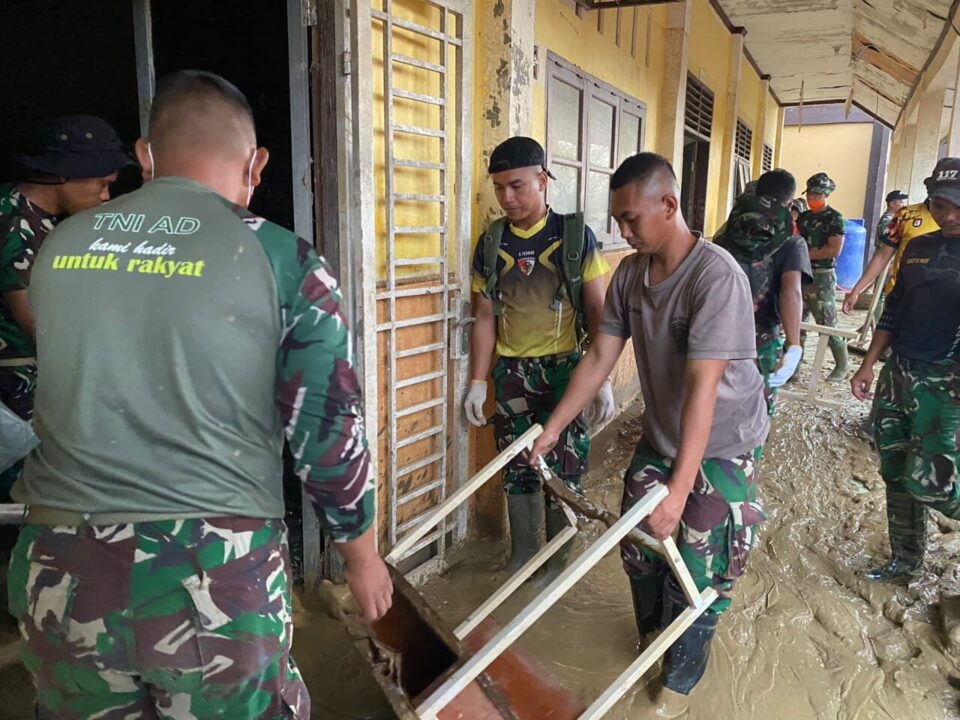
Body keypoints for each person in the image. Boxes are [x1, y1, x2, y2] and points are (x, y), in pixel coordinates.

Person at [7, 71, 392, 719]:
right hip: (210, 578)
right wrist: (362, 553)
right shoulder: (282, 260)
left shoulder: (60, 246)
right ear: (257, 162)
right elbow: (327, 433)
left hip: (58, 570)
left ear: (145, 156)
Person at [528, 153, 769, 713]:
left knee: (702, 568)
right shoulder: (632, 276)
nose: (624, 231)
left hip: (723, 443)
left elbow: (702, 390)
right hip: (663, 436)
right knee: (638, 547)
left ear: (669, 204)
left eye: (632, 219)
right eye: (617, 221)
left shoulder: (716, 276)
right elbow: (599, 357)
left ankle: (675, 685)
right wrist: (552, 429)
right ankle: (649, 643)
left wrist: (681, 492)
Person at [464, 136, 612, 580]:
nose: (507, 198)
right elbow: (485, 317)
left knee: (563, 471)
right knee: (518, 467)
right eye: (499, 188)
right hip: (511, 377)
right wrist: (478, 381)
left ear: (543, 180)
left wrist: (600, 376)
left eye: (517, 186)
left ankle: (558, 566)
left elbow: (599, 313)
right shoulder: (490, 245)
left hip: (566, 371)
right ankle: (524, 556)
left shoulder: (573, 238)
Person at [0, 115, 132, 499]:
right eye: (102, 184)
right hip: (15, 392)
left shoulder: (31, 215)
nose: (106, 196)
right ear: (63, 174)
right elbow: (35, 324)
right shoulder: (15, 224)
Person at [850, 158, 960, 586]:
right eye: (940, 204)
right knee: (894, 470)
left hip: (948, 385)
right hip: (899, 374)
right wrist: (866, 365)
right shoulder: (918, 247)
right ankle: (906, 560)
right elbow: (894, 311)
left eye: (956, 206)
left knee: (938, 483)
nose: (948, 215)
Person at [715, 169, 812, 414]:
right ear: (790, 202)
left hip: (717, 337)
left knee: (716, 408)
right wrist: (794, 344)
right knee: (757, 412)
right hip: (762, 340)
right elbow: (791, 292)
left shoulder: (725, 234)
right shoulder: (791, 241)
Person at [842, 193, 937, 316]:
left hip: (942, 301)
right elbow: (883, 256)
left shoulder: (953, 220)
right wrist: (856, 291)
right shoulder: (906, 215)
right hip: (901, 297)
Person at [797, 172, 848, 381]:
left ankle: (842, 365)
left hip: (822, 277)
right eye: (809, 194)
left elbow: (833, 250)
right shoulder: (804, 217)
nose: (811, 198)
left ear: (825, 195)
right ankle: (794, 366)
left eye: (816, 194)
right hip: (802, 274)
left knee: (826, 323)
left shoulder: (834, 218)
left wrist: (803, 255)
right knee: (797, 321)